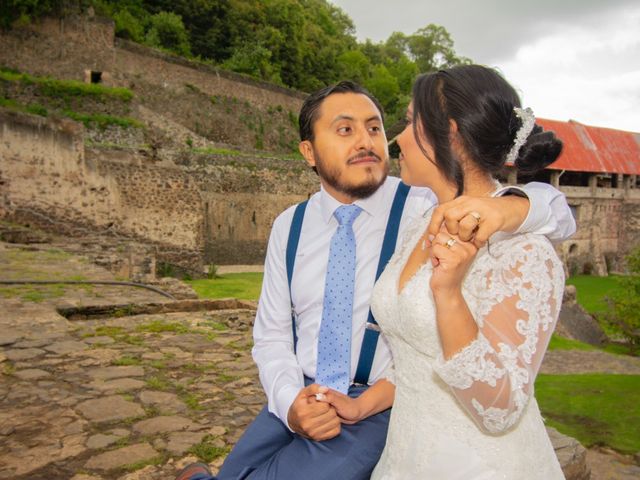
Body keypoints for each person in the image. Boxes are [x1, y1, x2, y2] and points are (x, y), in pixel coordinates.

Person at [176, 79, 575, 480]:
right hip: (305, 389)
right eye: (345, 129)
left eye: (375, 127)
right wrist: (289, 400)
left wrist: (512, 208)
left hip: (378, 404)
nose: (370, 141)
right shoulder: (289, 226)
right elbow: (272, 334)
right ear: (308, 152)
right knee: (234, 471)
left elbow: (553, 211)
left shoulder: (420, 203)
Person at [316, 66, 568, 479]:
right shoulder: (421, 224)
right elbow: (419, 349)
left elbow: (498, 408)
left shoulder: (522, 251)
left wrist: (449, 294)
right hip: (405, 457)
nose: (396, 137)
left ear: (448, 133)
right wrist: (363, 405)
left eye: (412, 121)